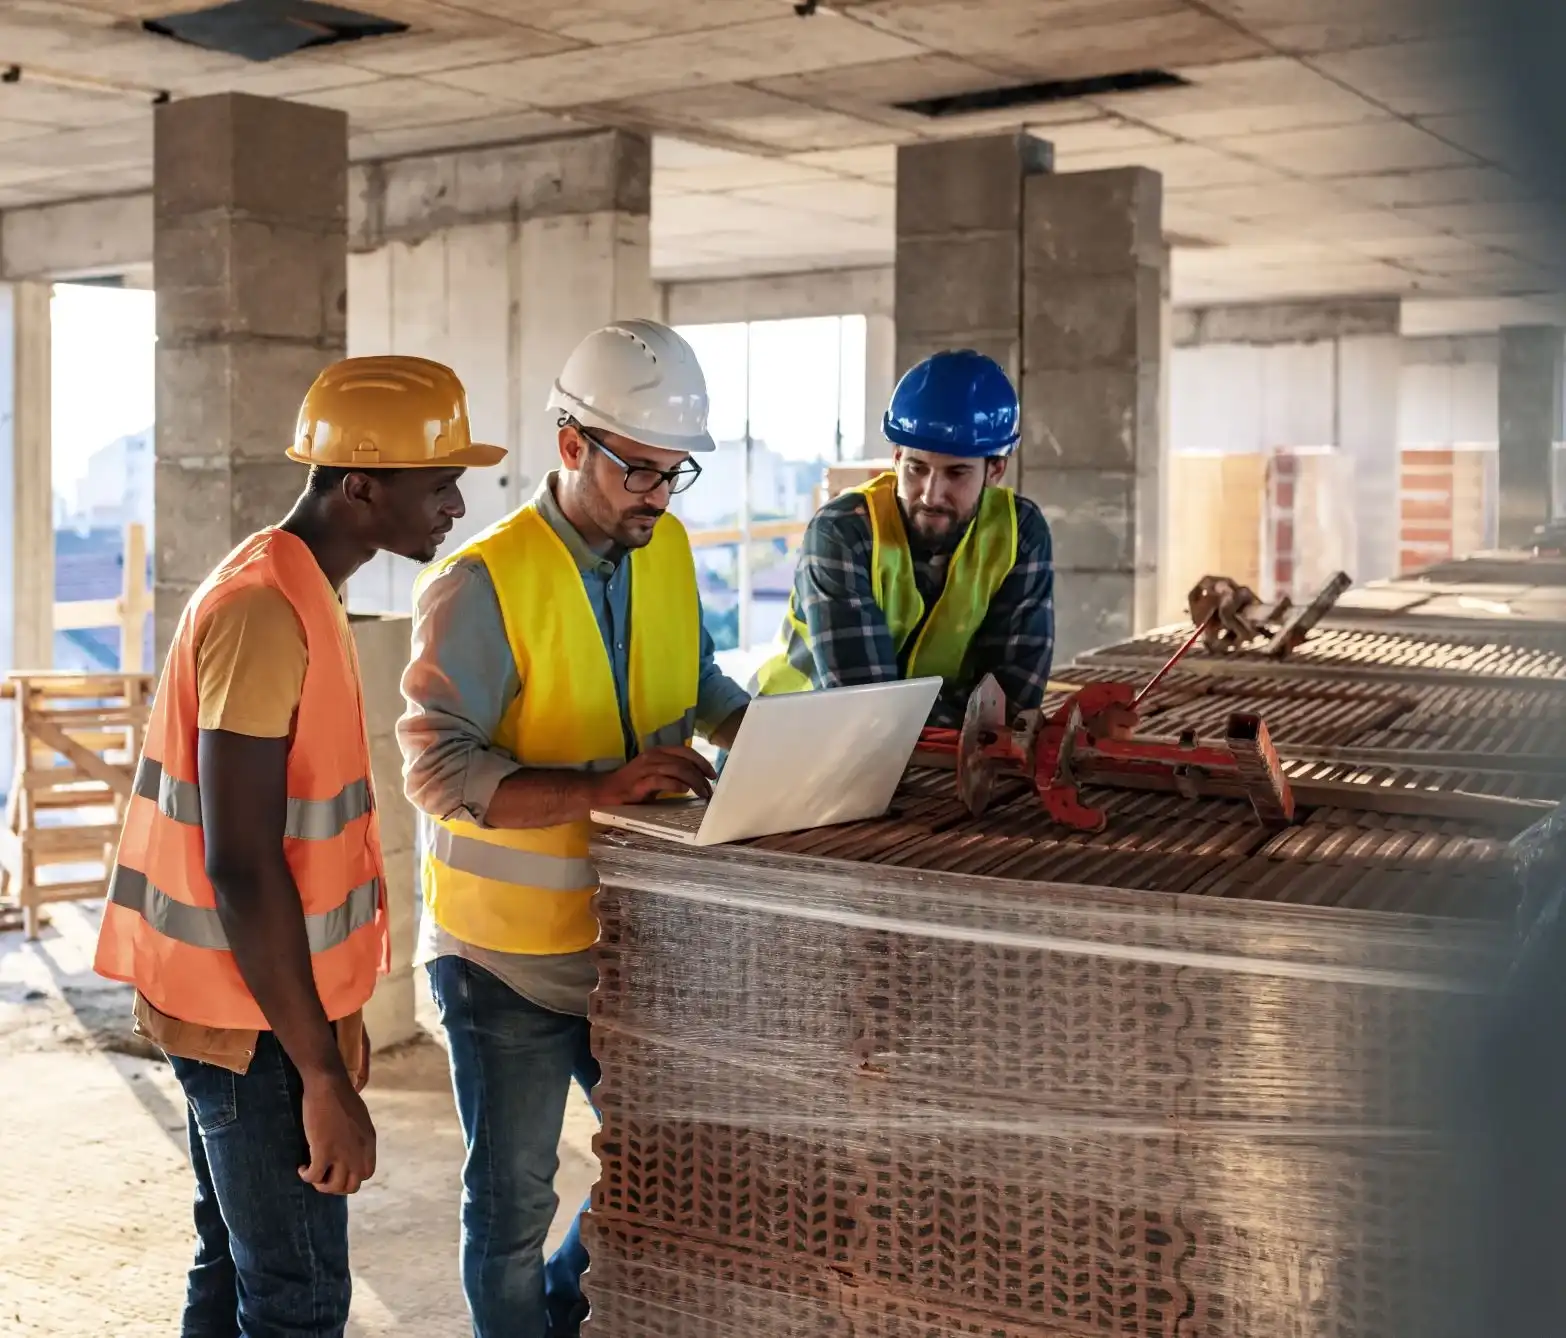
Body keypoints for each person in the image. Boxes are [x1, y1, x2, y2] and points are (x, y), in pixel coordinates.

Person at [94, 356, 503, 1338]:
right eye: (436, 481)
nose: (454, 503)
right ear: (361, 483)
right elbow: (240, 863)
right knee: (299, 1298)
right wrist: (320, 1074)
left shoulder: (299, 586)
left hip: (252, 1002)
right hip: (250, 1025)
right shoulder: (264, 611)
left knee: (239, 1269)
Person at [398, 318, 749, 1338]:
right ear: (570, 447)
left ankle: (555, 1316)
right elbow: (437, 765)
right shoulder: (480, 584)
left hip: (635, 947)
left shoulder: (669, 547)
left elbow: (698, 681)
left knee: (667, 1162)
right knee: (511, 1208)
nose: (656, 495)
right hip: (504, 960)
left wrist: (768, 735)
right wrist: (599, 789)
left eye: (674, 473)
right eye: (639, 470)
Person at [754, 348, 1057, 729]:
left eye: (956, 473)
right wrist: (979, 724)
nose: (931, 494)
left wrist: (991, 724)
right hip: (788, 745)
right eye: (917, 468)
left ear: (995, 469)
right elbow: (868, 707)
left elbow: (1013, 698)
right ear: (896, 456)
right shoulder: (842, 533)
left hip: (921, 755)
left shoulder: (1020, 533)